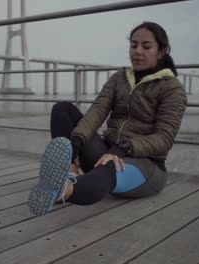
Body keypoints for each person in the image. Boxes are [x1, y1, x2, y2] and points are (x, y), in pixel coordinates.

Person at [28, 22, 187, 216]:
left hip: (145, 167)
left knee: (109, 166)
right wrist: (76, 142)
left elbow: (164, 139)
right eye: (133, 45)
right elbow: (97, 110)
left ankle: (63, 190)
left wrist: (123, 148)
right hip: (106, 152)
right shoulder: (119, 78)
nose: (137, 51)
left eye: (146, 47)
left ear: (161, 51)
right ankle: (70, 171)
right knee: (62, 109)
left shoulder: (171, 88)